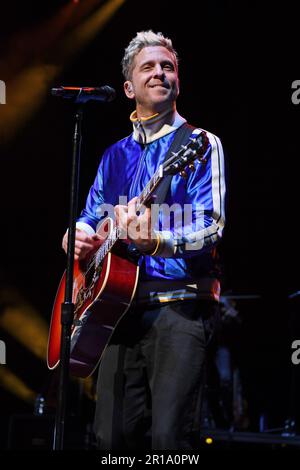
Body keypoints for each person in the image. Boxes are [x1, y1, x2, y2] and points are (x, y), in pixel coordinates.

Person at [62, 30, 226, 450]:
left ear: (178, 82)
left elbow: (212, 226)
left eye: (167, 66)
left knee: (171, 440)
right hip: (116, 309)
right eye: (148, 67)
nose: (159, 73)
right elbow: (90, 217)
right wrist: (76, 238)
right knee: (109, 438)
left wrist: (157, 241)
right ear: (129, 87)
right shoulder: (114, 155)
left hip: (180, 305)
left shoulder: (200, 144)